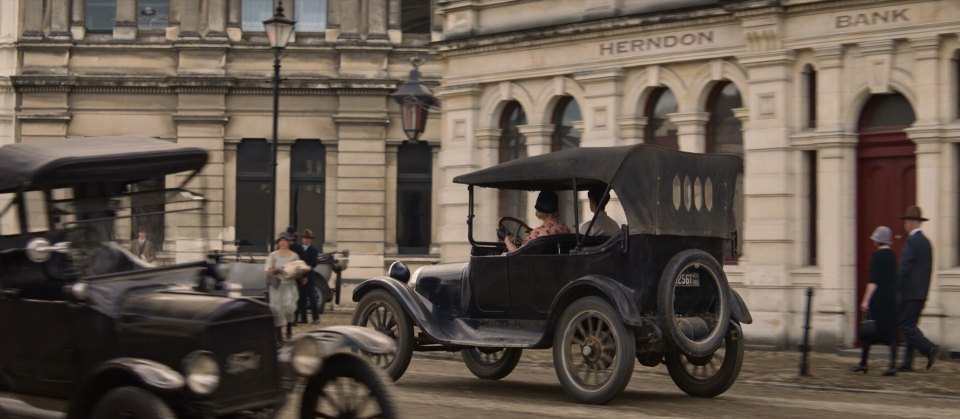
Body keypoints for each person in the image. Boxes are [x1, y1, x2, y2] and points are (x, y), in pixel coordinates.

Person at [851, 226, 898, 376]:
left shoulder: (876, 257)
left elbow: (873, 282)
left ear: (878, 241)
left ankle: (863, 363)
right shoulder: (892, 257)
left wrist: (865, 300)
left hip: (877, 299)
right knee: (891, 332)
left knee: (868, 331)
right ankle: (892, 366)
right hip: (890, 299)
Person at [896, 205, 939, 371]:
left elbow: (904, 269)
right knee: (911, 325)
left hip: (910, 293)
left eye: (906, 222)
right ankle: (907, 363)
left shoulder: (911, 242)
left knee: (906, 325)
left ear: (912, 223)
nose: (904, 225)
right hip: (921, 293)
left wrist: (897, 289)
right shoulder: (926, 243)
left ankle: (929, 348)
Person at [503, 190, 571, 252]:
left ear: (539, 210)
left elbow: (517, 254)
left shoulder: (537, 233)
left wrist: (505, 238)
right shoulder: (565, 229)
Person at [265, 231, 300, 342]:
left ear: (289, 242)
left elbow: (298, 270)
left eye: (285, 241)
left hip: (290, 285)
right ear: (278, 243)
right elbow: (268, 270)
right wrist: (277, 269)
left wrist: (296, 272)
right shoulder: (273, 255)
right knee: (276, 310)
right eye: (281, 241)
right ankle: (278, 335)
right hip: (277, 286)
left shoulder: (294, 256)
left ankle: (289, 328)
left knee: (289, 308)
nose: (283, 243)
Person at [295, 228, 322, 325]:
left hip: (309, 276)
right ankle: (303, 318)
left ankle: (315, 318)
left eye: (308, 238)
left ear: (310, 240)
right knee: (301, 297)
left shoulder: (313, 250)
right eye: (304, 238)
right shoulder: (299, 249)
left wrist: (306, 273)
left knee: (311, 297)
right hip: (300, 276)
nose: (306, 240)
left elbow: (313, 263)